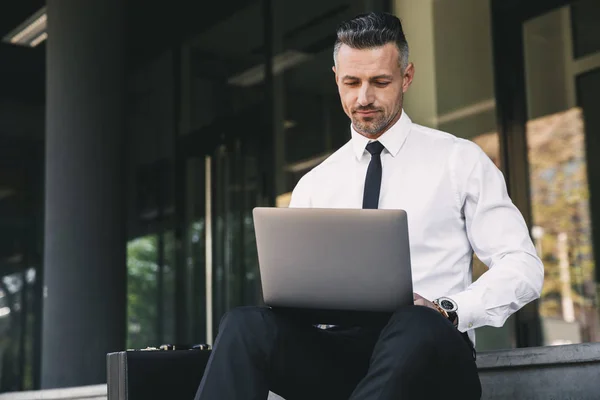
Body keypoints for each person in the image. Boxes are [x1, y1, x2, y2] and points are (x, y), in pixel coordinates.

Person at [194, 12, 544, 400]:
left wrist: (447, 308)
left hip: (431, 356)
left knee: (415, 321)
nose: (364, 98)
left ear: (406, 77)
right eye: (351, 82)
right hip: (341, 359)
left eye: (379, 82)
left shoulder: (458, 159)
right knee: (244, 324)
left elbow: (523, 266)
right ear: (336, 78)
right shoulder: (314, 185)